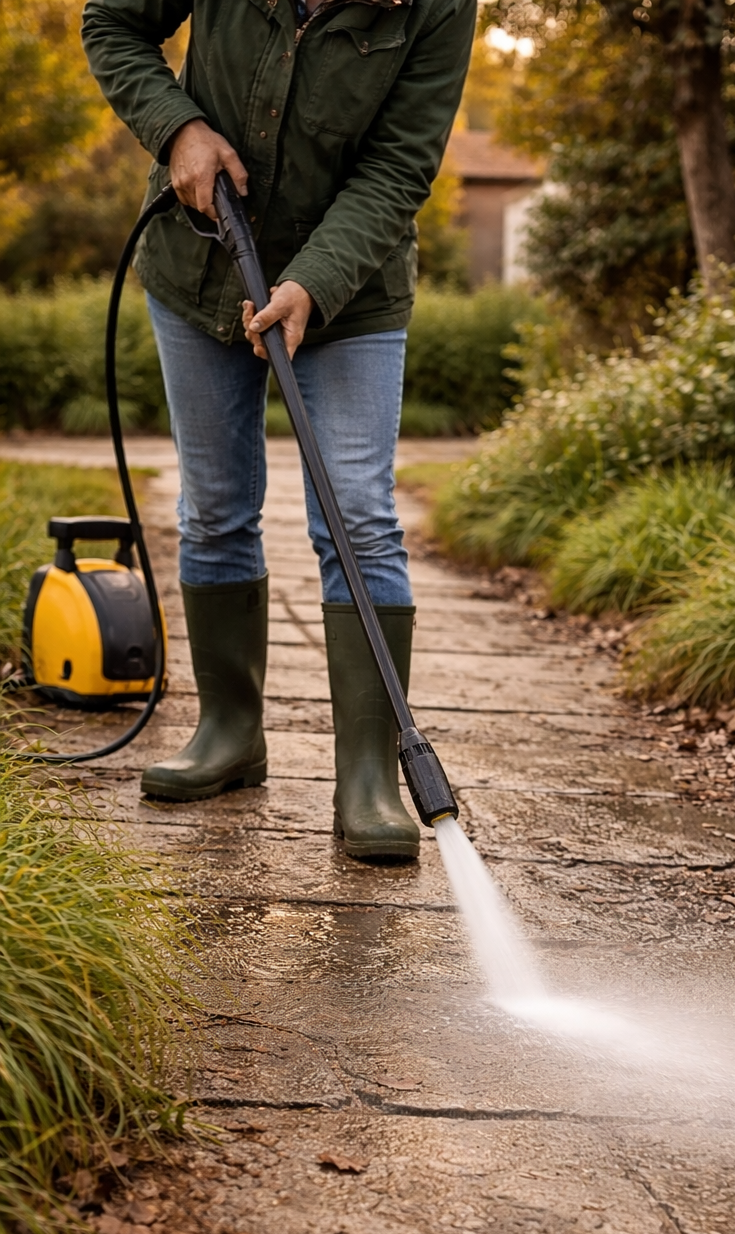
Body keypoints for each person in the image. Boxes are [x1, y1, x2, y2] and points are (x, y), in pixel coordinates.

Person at [82, 0, 475, 861]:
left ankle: (368, 774)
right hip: (200, 259)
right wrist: (178, 128)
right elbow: (111, 21)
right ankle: (230, 732)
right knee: (215, 506)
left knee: (359, 517)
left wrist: (314, 283)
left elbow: (402, 162)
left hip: (352, 290)